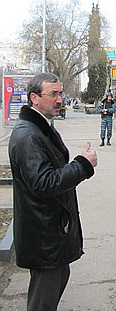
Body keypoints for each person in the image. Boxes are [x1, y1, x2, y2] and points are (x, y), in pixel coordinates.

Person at [8, 73, 98, 311]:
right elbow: (44, 183)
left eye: (61, 93)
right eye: (53, 94)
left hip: (51, 229)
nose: (60, 100)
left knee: (51, 292)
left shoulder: (40, 128)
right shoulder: (28, 135)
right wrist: (83, 165)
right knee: (43, 302)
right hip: (44, 235)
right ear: (34, 98)